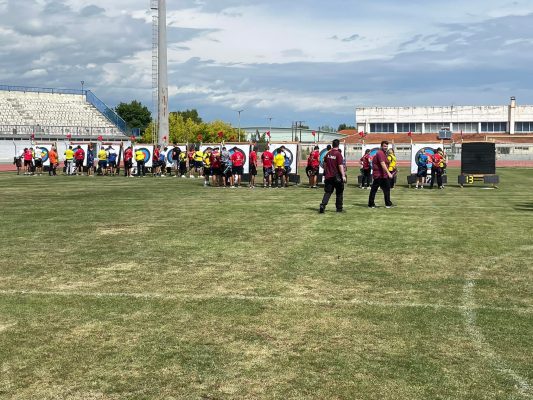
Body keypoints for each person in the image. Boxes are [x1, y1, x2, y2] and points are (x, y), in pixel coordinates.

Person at [319, 139, 346, 213]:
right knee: (339, 193)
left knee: (328, 192)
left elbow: (324, 164)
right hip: (337, 177)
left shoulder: (328, 154)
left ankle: (323, 205)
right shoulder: (338, 154)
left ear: (332, 145)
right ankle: (339, 208)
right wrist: (343, 175)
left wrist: (327, 171)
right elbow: (340, 166)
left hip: (328, 176)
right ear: (338, 145)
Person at [368, 141, 394, 208]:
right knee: (375, 189)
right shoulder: (380, 153)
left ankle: (388, 203)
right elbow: (382, 163)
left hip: (383, 174)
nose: (386, 147)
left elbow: (386, 162)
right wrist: (388, 173)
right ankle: (371, 204)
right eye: (384, 146)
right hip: (379, 175)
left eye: (387, 146)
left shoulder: (384, 153)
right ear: (381, 146)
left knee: (386, 189)